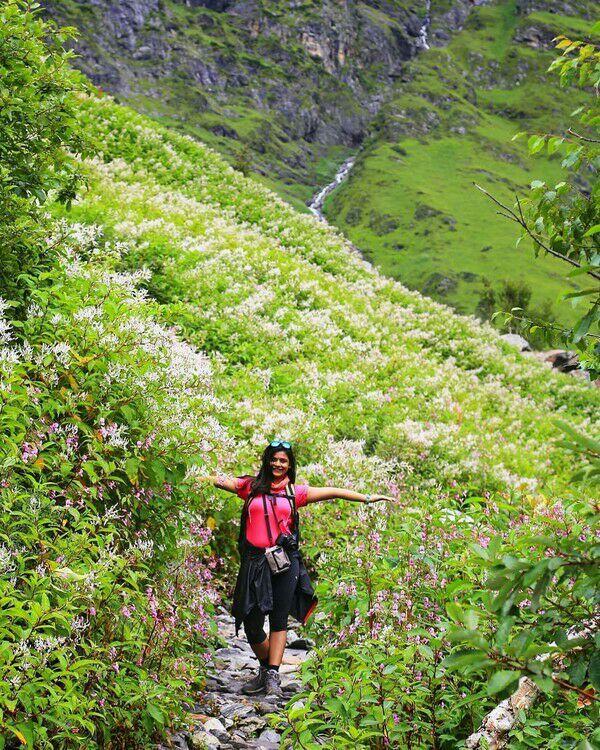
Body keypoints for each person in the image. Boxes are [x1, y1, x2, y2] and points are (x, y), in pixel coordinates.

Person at [204, 439, 395, 697]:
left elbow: (334, 491)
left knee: (279, 618)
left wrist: (368, 498)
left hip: (284, 562)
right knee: (250, 621)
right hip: (254, 562)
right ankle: (265, 668)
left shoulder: (296, 493)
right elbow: (217, 480)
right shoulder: (249, 487)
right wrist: (193, 475)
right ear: (267, 461)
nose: (277, 464)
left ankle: (272, 675)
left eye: (283, 460)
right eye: (274, 459)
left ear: (290, 465)